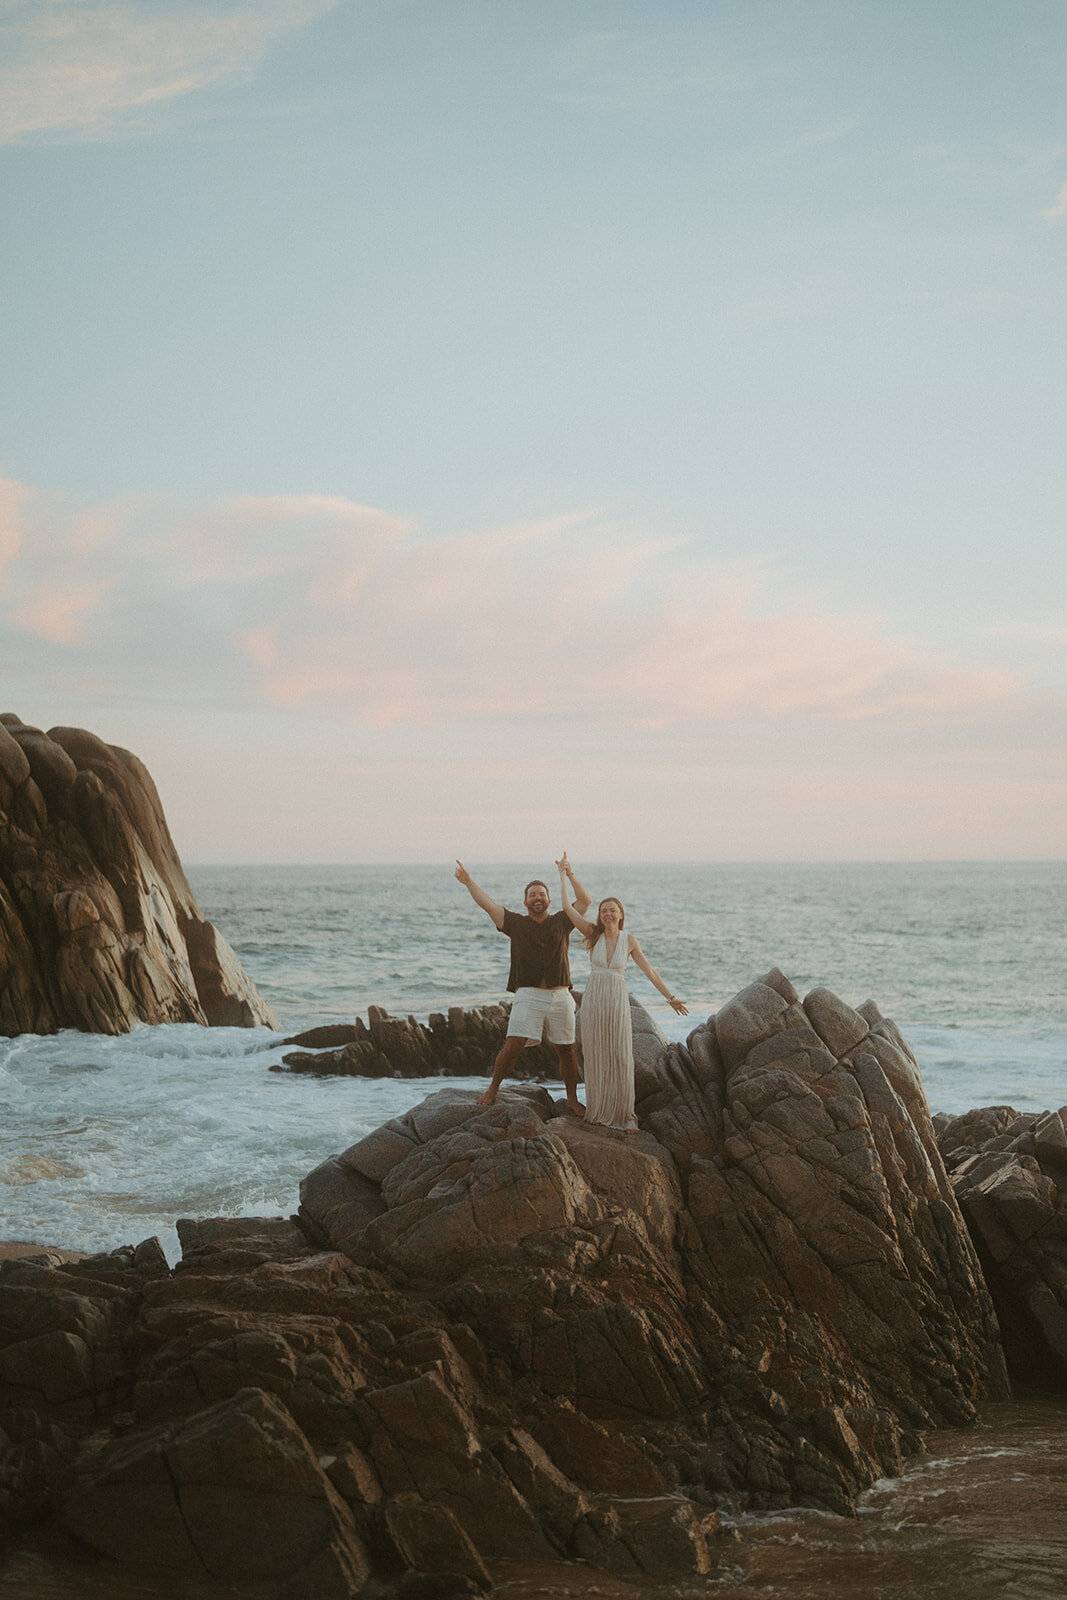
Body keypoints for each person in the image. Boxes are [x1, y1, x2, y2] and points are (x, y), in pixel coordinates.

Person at [557, 854, 688, 1132]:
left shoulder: (629, 941)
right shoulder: (593, 933)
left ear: (621, 915)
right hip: (594, 999)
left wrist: (670, 997)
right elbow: (567, 907)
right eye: (604, 910)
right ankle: (598, 1110)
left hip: (616, 997)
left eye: (613, 910)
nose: (608, 914)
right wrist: (566, 874)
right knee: (595, 1053)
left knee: (618, 1053)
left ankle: (624, 1116)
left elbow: (650, 971)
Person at [454, 859, 592, 1113]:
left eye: (542, 894)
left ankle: (572, 1099)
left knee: (567, 1051)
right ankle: (493, 1088)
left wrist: (569, 873)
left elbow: (585, 901)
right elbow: (488, 905)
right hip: (528, 995)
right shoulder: (515, 923)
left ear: (549, 900)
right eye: (532, 895)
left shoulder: (563, 920)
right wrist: (468, 882)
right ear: (526, 902)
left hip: (561, 995)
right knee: (514, 1044)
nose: (537, 897)